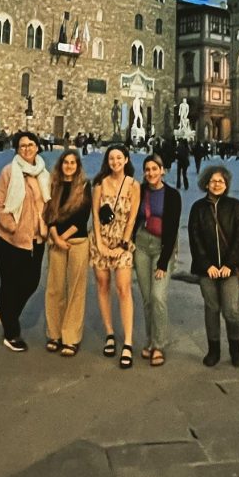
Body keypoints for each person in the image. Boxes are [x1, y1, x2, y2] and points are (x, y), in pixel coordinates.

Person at [0, 131, 51, 351]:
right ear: (17, 149)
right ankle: (11, 331)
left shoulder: (44, 174)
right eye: (22, 146)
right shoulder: (9, 172)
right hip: (9, 238)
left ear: (37, 147)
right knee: (10, 283)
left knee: (31, 282)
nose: (27, 149)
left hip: (36, 238)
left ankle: (6, 314)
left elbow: (48, 204)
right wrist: (12, 227)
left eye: (31, 144)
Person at [187, 165, 239, 368]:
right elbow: (194, 238)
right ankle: (213, 349)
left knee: (231, 310)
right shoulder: (198, 208)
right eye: (213, 181)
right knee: (212, 308)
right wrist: (207, 265)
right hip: (207, 269)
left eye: (221, 181)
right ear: (206, 183)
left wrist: (230, 264)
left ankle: (235, 349)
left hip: (230, 269)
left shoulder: (235, 206)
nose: (217, 184)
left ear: (227, 184)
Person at [89, 144, 141, 369]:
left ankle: (127, 341)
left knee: (123, 288)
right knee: (102, 285)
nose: (115, 162)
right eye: (111, 159)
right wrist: (99, 243)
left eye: (119, 158)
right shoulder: (99, 184)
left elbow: (132, 217)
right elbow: (94, 214)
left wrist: (123, 244)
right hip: (100, 241)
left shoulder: (133, 185)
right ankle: (110, 332)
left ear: (126, 160)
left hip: (122, 242)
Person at [133, 154, 181, 366]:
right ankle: (151, 340)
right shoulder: (140, 191)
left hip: (163, 246)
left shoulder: (172, 195)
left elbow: (172, 230)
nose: (151, 173)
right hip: (142, 245)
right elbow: (133, 218)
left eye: (155, 169)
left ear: (163, 170)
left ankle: (159, 345)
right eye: (147, 169)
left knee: (158, 296)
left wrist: (163, 262)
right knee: (146, 298)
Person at [43, 149, 92, 356]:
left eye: (73, 162)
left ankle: (71, 337)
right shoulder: (54, 185)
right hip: (56, 241)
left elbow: (82, 216)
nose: (69, 166)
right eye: (66, 162)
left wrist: (63, 238)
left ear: (78, 166)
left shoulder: (83, 187)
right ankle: (54, 333)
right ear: (61, 164)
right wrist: (55, 237)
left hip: (77, 241)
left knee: (75, 290)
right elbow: (49, 213)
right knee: (54, 288)